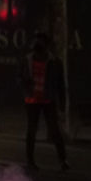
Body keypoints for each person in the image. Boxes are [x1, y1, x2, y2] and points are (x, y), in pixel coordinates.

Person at [20, 33, 68, 171]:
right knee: (32, 130)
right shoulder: (28, 60)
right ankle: (30, 160)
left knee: (54, 130)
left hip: (47, 99)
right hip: (32, 99)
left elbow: (60, 84)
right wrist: (26, 86)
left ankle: (63, 159)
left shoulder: (54, 62)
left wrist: (62, 104)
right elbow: (19, 76)